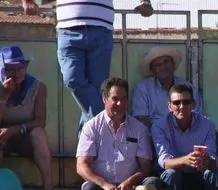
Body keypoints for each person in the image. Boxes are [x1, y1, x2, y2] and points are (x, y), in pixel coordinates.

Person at [21, 0, 155, 129]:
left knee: (98, 87)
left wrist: (145, 2)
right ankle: (103, 126)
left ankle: (88, 139)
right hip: (68, 29)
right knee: (72, 79)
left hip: (101, 29)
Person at [76, 77, 155, 190]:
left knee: (152, 183)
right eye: (115, 99)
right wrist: (105, 185)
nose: (120, 103)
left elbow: (146, 166)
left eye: (124, 99)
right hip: (102, 187)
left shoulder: (139, 128)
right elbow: (82, 166)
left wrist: (130, 182)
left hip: (132, 186)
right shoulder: (91, 127)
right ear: (104, 99)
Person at [0, 45, 54, 190]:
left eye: (20, 68)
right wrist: (4, 96)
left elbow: (40, 121)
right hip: (3, 138)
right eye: (11, 69)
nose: (16, 73)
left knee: (39, 133)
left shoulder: (37, 87)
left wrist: (15, 129)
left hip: (24, 137)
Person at [132, 45, 204, 128]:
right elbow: (141, 119)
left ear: (173, 65)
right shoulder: (142, 88)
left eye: (166, 62)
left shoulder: (189, 88)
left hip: (185, 132)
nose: (163, 67)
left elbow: (198, 117)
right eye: (158, 65)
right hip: (154, 133)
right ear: (153, 70)